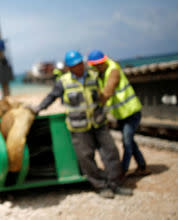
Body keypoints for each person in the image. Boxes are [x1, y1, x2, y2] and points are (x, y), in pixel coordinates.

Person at [31, 50, 132, 199]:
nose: (78, 68)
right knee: (86, 158)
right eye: (74, 66)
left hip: (98, 123)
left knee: (111, 153)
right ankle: (101, 186)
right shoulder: (63, 82)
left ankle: (115, 184)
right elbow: (51, 96)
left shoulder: (94, 76)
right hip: (79, 128)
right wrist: (39, 108)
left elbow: (107, 73)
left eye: (79, 64)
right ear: (69, 68)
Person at [88, 49, 151, 176]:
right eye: (95, 65)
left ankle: (123, 170)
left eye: (99, 64)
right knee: (130, 141)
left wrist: (98, 99)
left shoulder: (113, 70)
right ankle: (142, 166)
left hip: (131, 112)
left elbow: (108, 92)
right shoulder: (99, 73)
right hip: (121, 114)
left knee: (127, 141)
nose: (97, 67)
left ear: (104, 61)